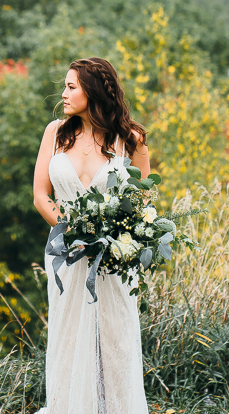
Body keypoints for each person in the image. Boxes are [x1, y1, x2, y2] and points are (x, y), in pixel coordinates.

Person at [32, 57, 151, 414]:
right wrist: (71, 229)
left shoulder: (130, 140)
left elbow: (142, 203)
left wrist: (112, 233)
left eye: (71, 86)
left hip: (113, 263)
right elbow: (41, 195)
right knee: (68, 344)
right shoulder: (55, 132)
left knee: (116, 347)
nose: (63, 93)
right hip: (68, 259)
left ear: (93, 91)